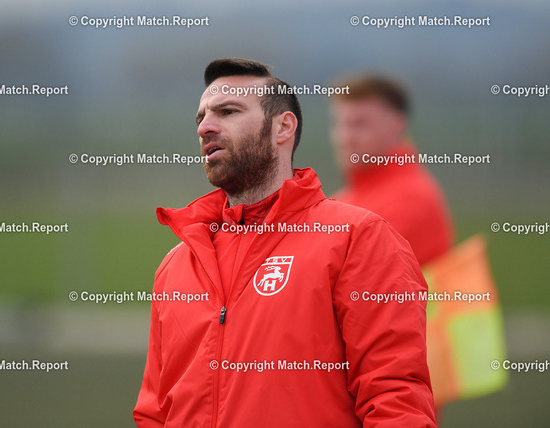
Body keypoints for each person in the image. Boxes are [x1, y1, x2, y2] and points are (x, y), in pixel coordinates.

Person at [133, 58, 436, 427]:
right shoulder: (176, 265)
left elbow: (395, 398)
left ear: (283, 127)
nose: (205, 127)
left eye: (228, 112)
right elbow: (154, 413)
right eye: (201, 118)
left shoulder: (358, 238)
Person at [329, 75, 454, 266]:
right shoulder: (347, 198)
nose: (345, 138)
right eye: (340, 124)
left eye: (360, 124)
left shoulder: (410, 200)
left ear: (396, 125)